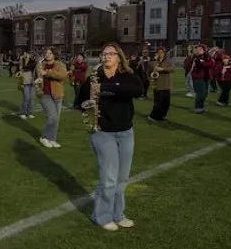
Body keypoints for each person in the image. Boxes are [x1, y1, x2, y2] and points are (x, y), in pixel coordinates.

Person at [78, 42, 144, 231]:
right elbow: (80, 101)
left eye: (110, 53)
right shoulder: (93, 77)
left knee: (122, 178)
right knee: (108, 178)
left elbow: (138, 91)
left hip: (125, 132)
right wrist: (88, 104)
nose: (106, 56)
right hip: (102, 132)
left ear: (118, 56)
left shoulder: (127, 75)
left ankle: (118, 214)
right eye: (103, 53)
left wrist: (107, 88)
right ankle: (101, 216)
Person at [36, 47, 69, 148]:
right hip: (44, 94)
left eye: (49, 53)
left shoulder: (60, 64)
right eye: (46, 53)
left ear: (54, 55)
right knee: (52, 117)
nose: (47, 55)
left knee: (56, 119)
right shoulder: (41, 65)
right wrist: (38, 80)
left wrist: (48, 73)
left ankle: (52, 139)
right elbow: (39, 76)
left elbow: (63, 75)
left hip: (57, 94)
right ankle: (44, 137)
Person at [147, 46, 173, 122]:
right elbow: (150, 69)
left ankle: (161, 116)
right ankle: (153, 116)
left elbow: (172, 69)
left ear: (164, 53)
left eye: (162, 52)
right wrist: (155, 61)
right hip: (158, 85)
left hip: (166, 85)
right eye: (159, 52)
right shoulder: (154, 62)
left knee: (167, 103)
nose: (160, 54)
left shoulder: (168, 62)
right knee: (158, 103)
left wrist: (162, 69)